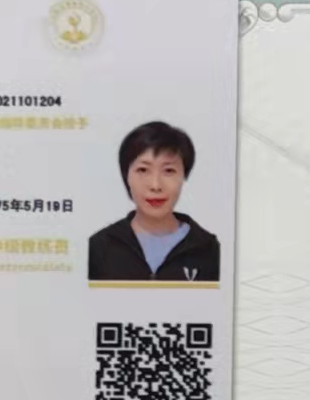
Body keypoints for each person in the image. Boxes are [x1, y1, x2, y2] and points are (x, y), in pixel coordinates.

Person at [87, 121, 220, 282]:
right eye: (143, 170)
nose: (155, 185)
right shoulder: (99, 247)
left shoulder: (208, 249)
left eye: (168, 171)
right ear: (126, 176)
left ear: (184, 176)